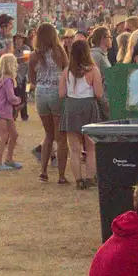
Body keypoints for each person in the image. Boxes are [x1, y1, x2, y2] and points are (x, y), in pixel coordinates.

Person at [58, 39, 104, 190]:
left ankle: (78, 180)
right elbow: (98, 94)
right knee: (91, 147)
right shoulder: (93, 71)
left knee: (74, 148)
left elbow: (61, 93)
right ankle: (90, 178)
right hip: (88, 106)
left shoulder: (66, 71)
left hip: (71, 107)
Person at [29, 24, 67, 182]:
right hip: (55, 92)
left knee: (48, 135)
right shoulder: (59, 52)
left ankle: (43, 172)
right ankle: (61, 176)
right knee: (61, 137)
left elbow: (32, 79)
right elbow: (67, 71)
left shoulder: (34, 55)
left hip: (40, 93)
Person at [0, 53, 23, 171]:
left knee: (14, 134)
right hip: (1, 110)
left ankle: (9, 159)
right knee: (4, 136)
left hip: (2, 110)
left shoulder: (0, 79)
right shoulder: (8, 80)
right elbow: (11, 97)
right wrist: (18, 100)